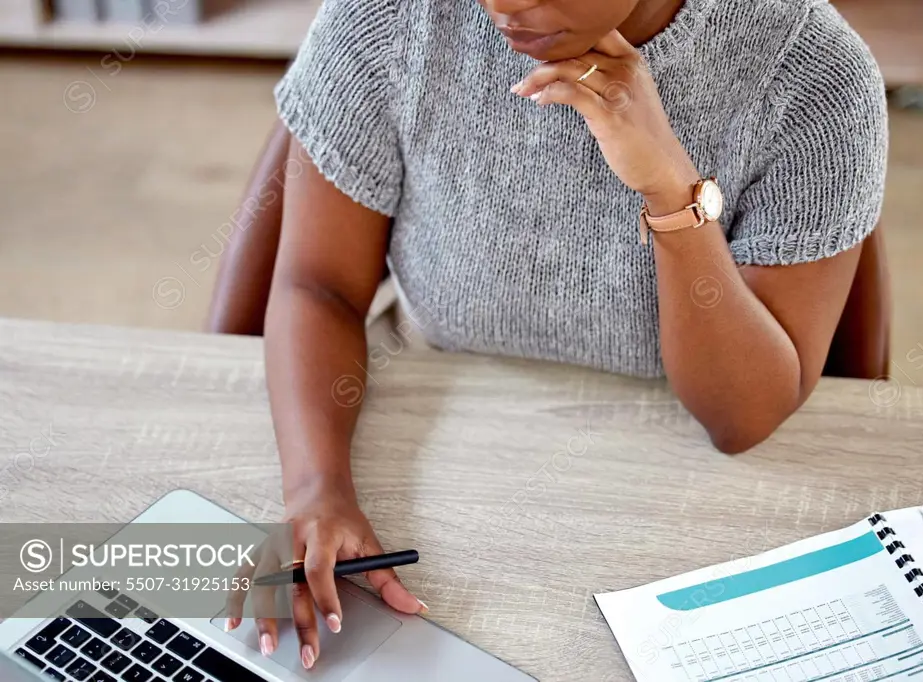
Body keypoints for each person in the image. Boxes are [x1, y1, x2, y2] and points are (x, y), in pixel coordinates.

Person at [216, 0, 888, 669]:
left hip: (681, 511)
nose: (502, 5)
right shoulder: (393, 18)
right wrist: (317, 493)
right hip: (430, 437)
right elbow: (319, 287)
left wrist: (668, 188)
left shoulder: (813, 74)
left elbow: (743, 418)